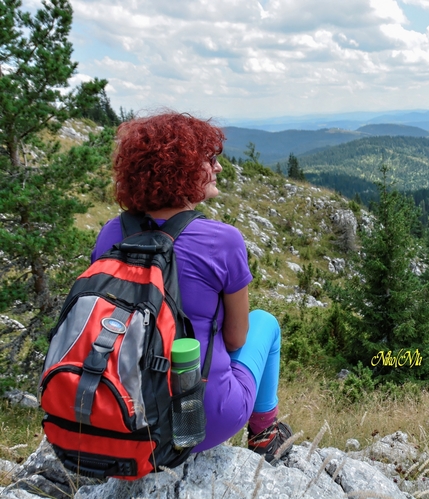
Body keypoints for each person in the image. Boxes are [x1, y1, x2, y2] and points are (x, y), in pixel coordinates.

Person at [91, 112, 291, 461]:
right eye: (210, 160)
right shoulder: (223, 240)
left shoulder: (111, 233)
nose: (219, 168)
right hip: (200, 421)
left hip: (118, 416)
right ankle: (265, 434)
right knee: (265, 323)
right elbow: (236, 340)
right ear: (180, 169)